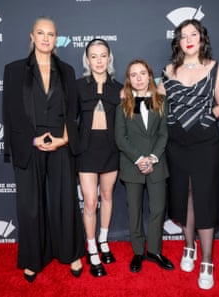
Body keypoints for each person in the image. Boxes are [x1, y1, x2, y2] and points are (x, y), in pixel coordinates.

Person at [2, 16, 85, 283]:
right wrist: (31, 140)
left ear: (56, 38)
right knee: (30, 205)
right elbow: (10, 113)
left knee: (65, 201)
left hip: (60, 143)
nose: (46, 38)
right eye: (41, 33)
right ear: (32, 36)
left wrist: (64, 138)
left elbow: (73, 112)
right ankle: (32, 259)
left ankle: (71, 252)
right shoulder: (14, 70)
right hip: (30, 143)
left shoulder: (68, 71)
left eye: (51, 34)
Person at [157, 19, 219, 290]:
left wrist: (204, 119)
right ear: (177, 41)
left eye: (194, 34)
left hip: (205, 143)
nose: (188, 39)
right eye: (183, 35)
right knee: (183, 196)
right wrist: (130, 92)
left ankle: (207, 261)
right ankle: (189, 247)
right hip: (176, 144)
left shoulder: (215, 68)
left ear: (202, 39)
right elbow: (154, 100)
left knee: (204, 197)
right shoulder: (168, 70)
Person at [115, 59, 175, 273]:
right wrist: (140, 159)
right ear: (128, 80)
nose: (139, 78)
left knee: (158, 209)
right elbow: (121, 139)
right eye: (134, 74)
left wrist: (152, 157)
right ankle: (138, 251)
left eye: (143, 73)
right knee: (135, 212)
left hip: (157, 164)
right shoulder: (123, 105)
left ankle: (155, 251)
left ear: (150, 76)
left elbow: (163, 134)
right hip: (132, 166)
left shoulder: (161, 101)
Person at [76, 38, 122, 277]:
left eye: (103, 55)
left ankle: (104, 240)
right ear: (87, 59)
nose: (99, 60)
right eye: (93, 56)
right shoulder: (78, 86)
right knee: (91, 201)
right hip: (86, 152)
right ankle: (91, 246)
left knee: (107, 195)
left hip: (111, 150)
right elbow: (69, 121)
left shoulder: (120, 88)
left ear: (110, 58)